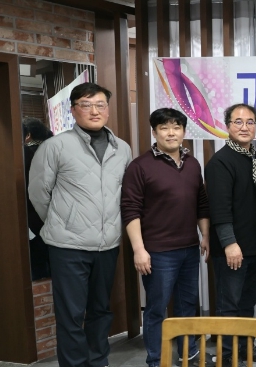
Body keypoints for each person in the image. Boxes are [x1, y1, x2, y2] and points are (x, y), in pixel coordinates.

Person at [28, 82, 132, 367]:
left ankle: (98, 362)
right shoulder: (54, 146)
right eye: (86, 105)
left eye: (100, 105)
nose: (94, 111)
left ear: (108, 110)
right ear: (73, 110)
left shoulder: (122, 148)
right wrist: (63, 221)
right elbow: (38, 193)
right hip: (67, 246)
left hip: (107, 244)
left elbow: (126, 194)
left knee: (100, 311)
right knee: (71, 315)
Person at [121, 108, 211, 367]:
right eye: (164, 128)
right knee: (157, 308)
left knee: (187, 305)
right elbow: (130, 209)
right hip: (157, 252)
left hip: (189, 249)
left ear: (183, 131)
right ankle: (156, 360)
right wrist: (139, 249)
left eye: (176, 127)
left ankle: (188, 354)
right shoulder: (140, 166)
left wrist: (205, 235)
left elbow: (201, 203)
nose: (171, 133)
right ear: (154, 132)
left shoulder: (192, 163)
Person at [205, 103, 256, 366]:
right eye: (238, 122)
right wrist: (230, 243)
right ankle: (227, 355)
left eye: (250, 122)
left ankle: (244, 346)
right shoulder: (220, 162)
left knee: (247, 302)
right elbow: (219, 209)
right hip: (232, 249)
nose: (244, 127)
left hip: (255, 247)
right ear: (227, 126)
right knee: (228, 304)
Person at [22, 117, 53, 281]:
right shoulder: (50, 151)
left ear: (28, 135)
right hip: (50, 217)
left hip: (32, 218)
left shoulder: (25, 154)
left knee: (37, 265)